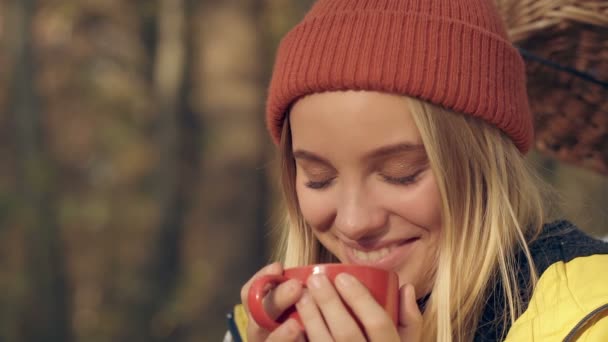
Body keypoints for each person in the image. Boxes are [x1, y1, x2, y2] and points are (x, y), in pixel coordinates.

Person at [225, 0, 608, 341]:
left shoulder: (589, 311)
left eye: (400, 173)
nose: (355, 223)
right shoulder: (262, 324)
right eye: (318, 179)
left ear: (486, 165)